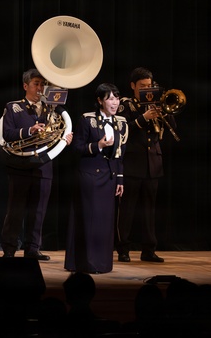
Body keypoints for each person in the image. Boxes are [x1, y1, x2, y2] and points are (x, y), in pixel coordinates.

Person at [0, 68, 73, 260]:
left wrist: (65, 137)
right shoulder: (13, 107)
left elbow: (58, 130)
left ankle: (32, 248)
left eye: (42, 84)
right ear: (26, 86)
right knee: (16, 209)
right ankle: (9, 248)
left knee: (39, 210)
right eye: (36, 84)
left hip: (43, 164)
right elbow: (7, 134)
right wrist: (30, 130)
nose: (40, 88)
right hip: (20, 164)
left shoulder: (51, 108)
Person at [64, 83, 128, 274]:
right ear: (100, 100)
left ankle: (102, 263)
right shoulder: (87, 119)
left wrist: (120, 179)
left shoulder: (121, 122)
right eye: (109, 98)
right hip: (90, 176)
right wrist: (97, 145)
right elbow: (77, 148)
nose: (114, 102)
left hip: (109, 178)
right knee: (89, 220)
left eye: (116, 98)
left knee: (105, 222)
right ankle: (85, 263)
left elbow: (120, 154)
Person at [116, 67, 168, 263]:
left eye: (150, 86)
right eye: (143, 86)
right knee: (127, 209)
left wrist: (165, 113)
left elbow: (170, 128)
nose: (147, 90)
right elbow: (122, 129)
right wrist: (142, 119)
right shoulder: (125, 105)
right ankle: (123, 249)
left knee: (149, 210)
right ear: (133, 86)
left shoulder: (155, 103)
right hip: (132, 163)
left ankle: (149, 249)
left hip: (152, 164)